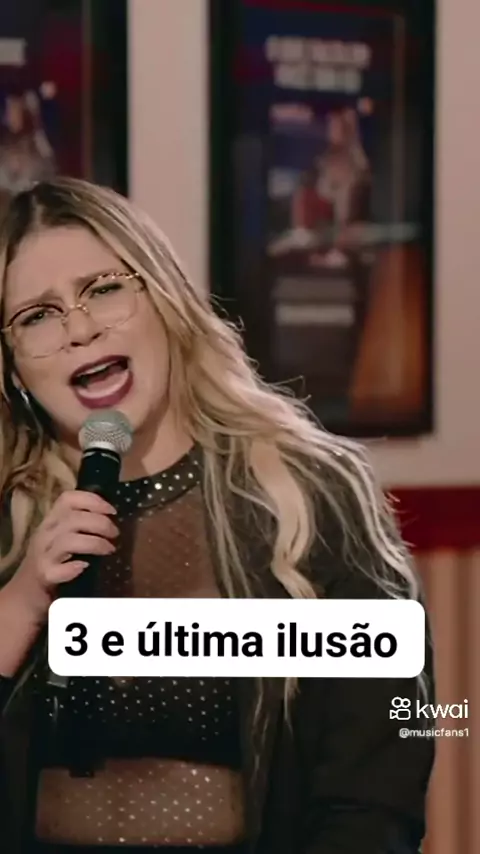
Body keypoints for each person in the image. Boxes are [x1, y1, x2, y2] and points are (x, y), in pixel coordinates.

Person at [0, 177, 435, 854]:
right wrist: (23, 600)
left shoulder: (309, 495)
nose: (80, 330)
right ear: (13, 368)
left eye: (104, 289)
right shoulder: (8, 515)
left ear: (165, 299)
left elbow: (376, 783)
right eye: (37, 315)